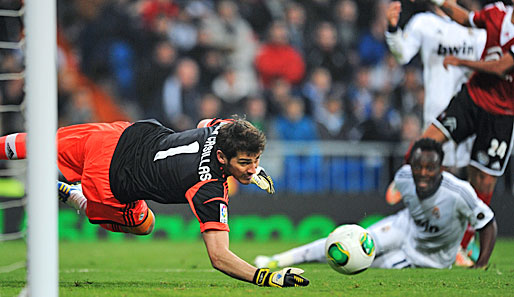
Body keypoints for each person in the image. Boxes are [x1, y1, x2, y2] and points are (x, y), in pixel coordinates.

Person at [0, 117, 309, 288]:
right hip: (110, 180)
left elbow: (205, 121)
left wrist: (249, 168)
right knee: (146, 224)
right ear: (221, 158)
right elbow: (220, 256)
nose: (252, 168)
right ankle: (76, 196)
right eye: (245, 163)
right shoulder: (209, 187)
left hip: (117, 135)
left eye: (256, 161)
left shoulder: (225, 129)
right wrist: (266, 277)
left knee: (37, 141)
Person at [255, 138, 497, 269]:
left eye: (429, 168)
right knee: (347, 240)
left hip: (428, 257)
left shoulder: (459, 192)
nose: (422, 173)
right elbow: (396, 192)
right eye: (418, 167)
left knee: (368, 263)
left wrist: (481, 265)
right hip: (403, 226)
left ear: (441, 169)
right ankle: (277, 260)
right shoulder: (404, 176)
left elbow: (488, 222)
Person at [418, 0, 514, 260]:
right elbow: (465, 18)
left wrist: (462, 62)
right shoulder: (495, 14)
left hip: (503, 114)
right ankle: (417, 216)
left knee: (482, 180)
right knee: (426, 145)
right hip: (472, 99)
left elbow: (502, 66)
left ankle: (462, 245)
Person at [385, 0, 486, 174]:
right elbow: (402, 55)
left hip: (471, 109)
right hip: (438, 111)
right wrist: (393, 30)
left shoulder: (474, 24)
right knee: (438, 171)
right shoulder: (424, 22)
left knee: (473, 173)